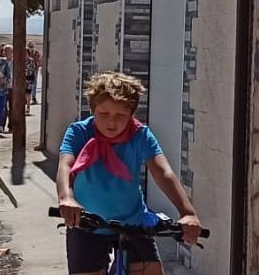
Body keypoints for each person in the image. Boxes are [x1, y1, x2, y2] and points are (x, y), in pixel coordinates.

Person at [57, 72, 202, 274]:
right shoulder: (78, 132)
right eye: (104, 114)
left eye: (120, 116)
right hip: (86, 223)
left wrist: (187, 213)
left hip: (133, 222)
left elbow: (163, 172)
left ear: (132, 114)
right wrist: (67, 198)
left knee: (150, 270)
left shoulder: (140, 135)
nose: (111, 123)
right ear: (92, 110)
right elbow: (65, 165)